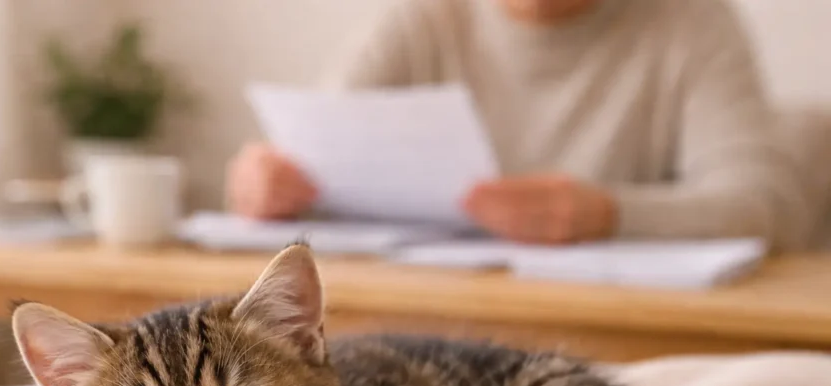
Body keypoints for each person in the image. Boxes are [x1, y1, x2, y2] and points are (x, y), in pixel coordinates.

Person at [226, 0, 816, 250]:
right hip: (433, 319)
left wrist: (606, 214)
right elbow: (311, 159)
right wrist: (263, 183)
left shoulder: (692, 23)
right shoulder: (426, 18)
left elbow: (761, 204)